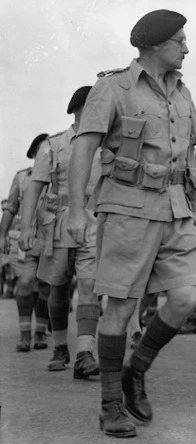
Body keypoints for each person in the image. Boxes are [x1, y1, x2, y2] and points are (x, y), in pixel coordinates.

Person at [67, 10, 196, 438]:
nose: (186, 47)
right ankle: (111, 403)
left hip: (176, 209)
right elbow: (85, 146)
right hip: (128, 208)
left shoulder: (183, 94)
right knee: (122, 307)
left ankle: (135, 369)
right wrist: (76, 209)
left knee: (186, 297)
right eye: (179, 40)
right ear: (153, 45)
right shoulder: (113, 88)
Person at [20, 86, 102, 377]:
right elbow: (35, 187)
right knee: (58, 291)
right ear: (81, 109)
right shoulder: (53, 145)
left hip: (94, 225)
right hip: (57, 227)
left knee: (90, 287)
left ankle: (84, 354)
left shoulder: (107, 146)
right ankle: (59, 347)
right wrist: (27, 226)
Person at [0, 133, 51, 352]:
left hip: (51, 240)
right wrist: (2, 236)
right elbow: (10, 208)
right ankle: (24, 335)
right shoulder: (22, 178)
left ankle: (40, 332)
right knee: (25, 282)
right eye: (41, 151)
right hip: (25, 242)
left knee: (47, 286)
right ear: (33, 154)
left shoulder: (60, 177)